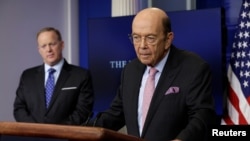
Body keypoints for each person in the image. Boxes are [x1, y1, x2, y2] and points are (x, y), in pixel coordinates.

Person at [91, 7, 216, 141]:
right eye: (136, 38)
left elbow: (202, 116)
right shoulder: (130, 71)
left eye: (150, 38)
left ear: (168, 39)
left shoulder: (193, 67)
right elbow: (116, 114)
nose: (142, 45)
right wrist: (83, 131)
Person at [13, 27, 94, 125]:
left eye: (52, 44)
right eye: (43, 46)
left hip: (65, 137)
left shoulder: (81, 75)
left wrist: (56, 131)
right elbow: (19, 108)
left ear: (62, 45)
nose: (48, 49)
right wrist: (35, 130)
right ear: (39, 50)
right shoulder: (27, 76)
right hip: (33, 136)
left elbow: (83, 111)